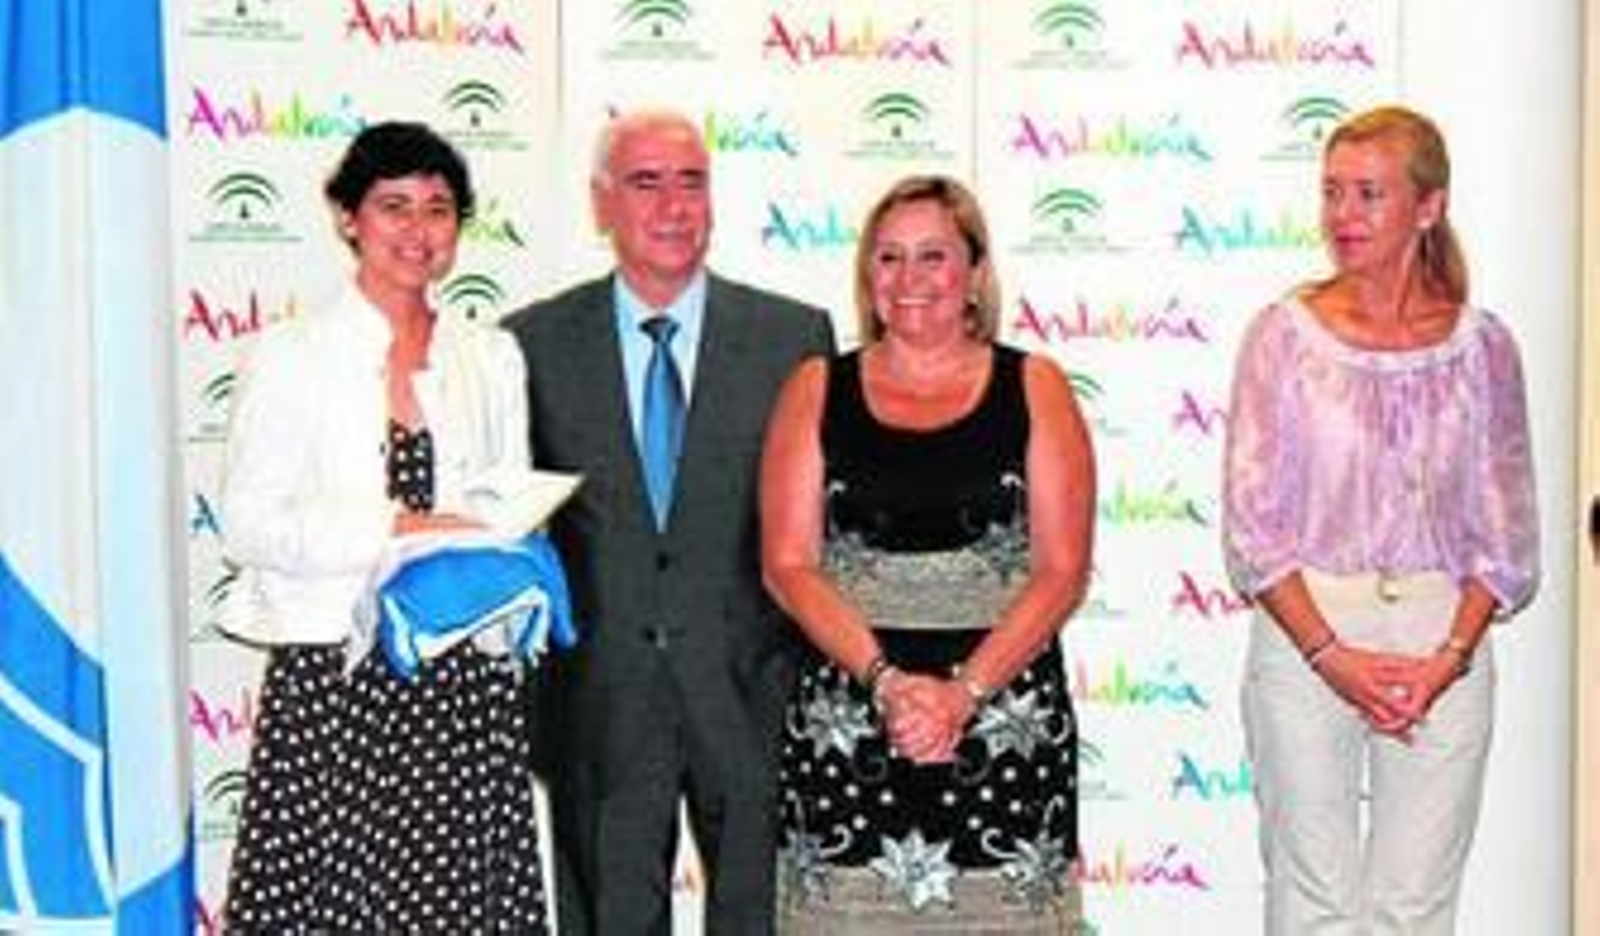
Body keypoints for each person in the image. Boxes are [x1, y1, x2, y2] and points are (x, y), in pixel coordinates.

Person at [501, 107, 835, 934]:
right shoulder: (531, 344)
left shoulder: (793, 339)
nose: (673, 206)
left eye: (692, 182)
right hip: (600, 700)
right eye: (646, 183)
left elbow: (817, 530)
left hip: (753, 696)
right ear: (601, 203)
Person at [218, 121, 555, 932]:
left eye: (438, 209)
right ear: (348, 218)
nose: (418, 230)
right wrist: (394, 528)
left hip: (460, 682)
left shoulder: (490, 355)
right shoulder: (291, 354)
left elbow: (503, 499)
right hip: (334, 676)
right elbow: (248, 524)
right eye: (393, 206)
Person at [1222, 105, 1539, 935]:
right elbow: (1253, 530)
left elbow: (1507, 536)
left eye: (1368, 194)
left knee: (1414, 907)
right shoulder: (1283, 337)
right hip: (1306, 627)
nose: (1344, 215)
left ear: (1428, 207)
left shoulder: (1483, 347)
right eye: (1332, 192)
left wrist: (1447, 659)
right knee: (1312, 900)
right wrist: (1330, 655)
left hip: (1444, 634)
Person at [759, 174, 1096, 932]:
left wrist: (962, 696)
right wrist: (885, 683)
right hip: (850, 727)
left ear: (974, 273)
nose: (908, 278)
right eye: (888, 257)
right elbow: (787, 565)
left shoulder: (1036, 386)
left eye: (933, 256)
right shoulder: (815, 387)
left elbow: (1063, 570)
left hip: (1004, 724)